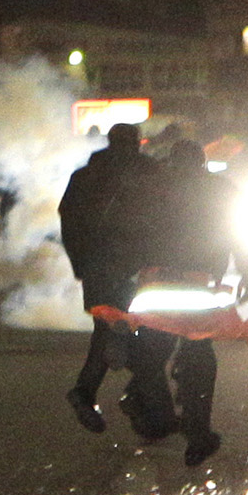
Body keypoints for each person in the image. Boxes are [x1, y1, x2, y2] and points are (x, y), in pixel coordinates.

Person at [124, 139, 248, 465]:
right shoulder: (221, 190)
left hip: (155, 284)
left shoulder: (151, 191)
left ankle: (151, 412)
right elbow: (242, 236)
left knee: (150, 353)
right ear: (202, 163)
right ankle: (197, 434)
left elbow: (128, 234)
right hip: (199, 286)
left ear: (171, 162)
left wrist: (126, 276)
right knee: (198, 354)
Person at [58, 121, 157, 433]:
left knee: (109, 328)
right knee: (148, 333)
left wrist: (79, 263)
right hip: (138, 266)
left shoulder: (84, 177)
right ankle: (136, 397)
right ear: (137, 143)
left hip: (96, 266)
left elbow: (69, 223)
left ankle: (91, 393)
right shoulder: (149, 173)